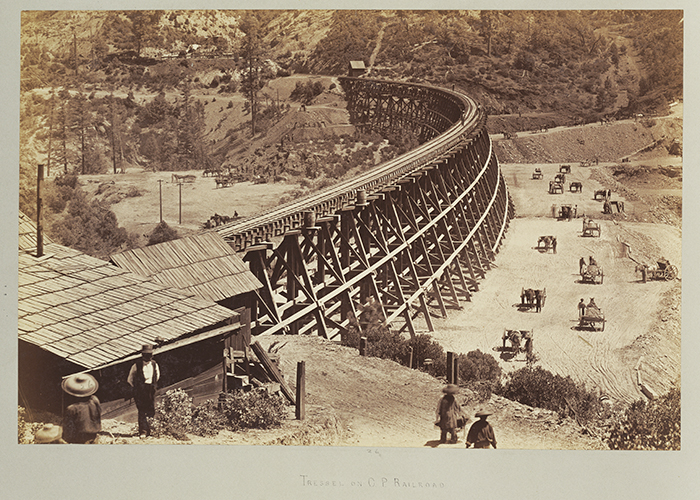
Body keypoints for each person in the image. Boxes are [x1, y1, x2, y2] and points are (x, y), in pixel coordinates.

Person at [128, 344, 160, 438]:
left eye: (150, 354)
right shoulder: (136, 365)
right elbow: (129, 379)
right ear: (142, 355)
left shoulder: (154, 364)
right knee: (142, 410)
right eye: (146, 355)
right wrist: (137, 387)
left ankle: (151, 430)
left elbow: (157, 376)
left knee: (151, 409)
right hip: (140, 391)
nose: (148, 357)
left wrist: (151, 385)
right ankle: (143, 432)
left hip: (150, 389)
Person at [61, 373, 101, 444]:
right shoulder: (95, 399)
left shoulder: (72, 409)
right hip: (94, 434)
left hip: (79, 438)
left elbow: (69, 432)